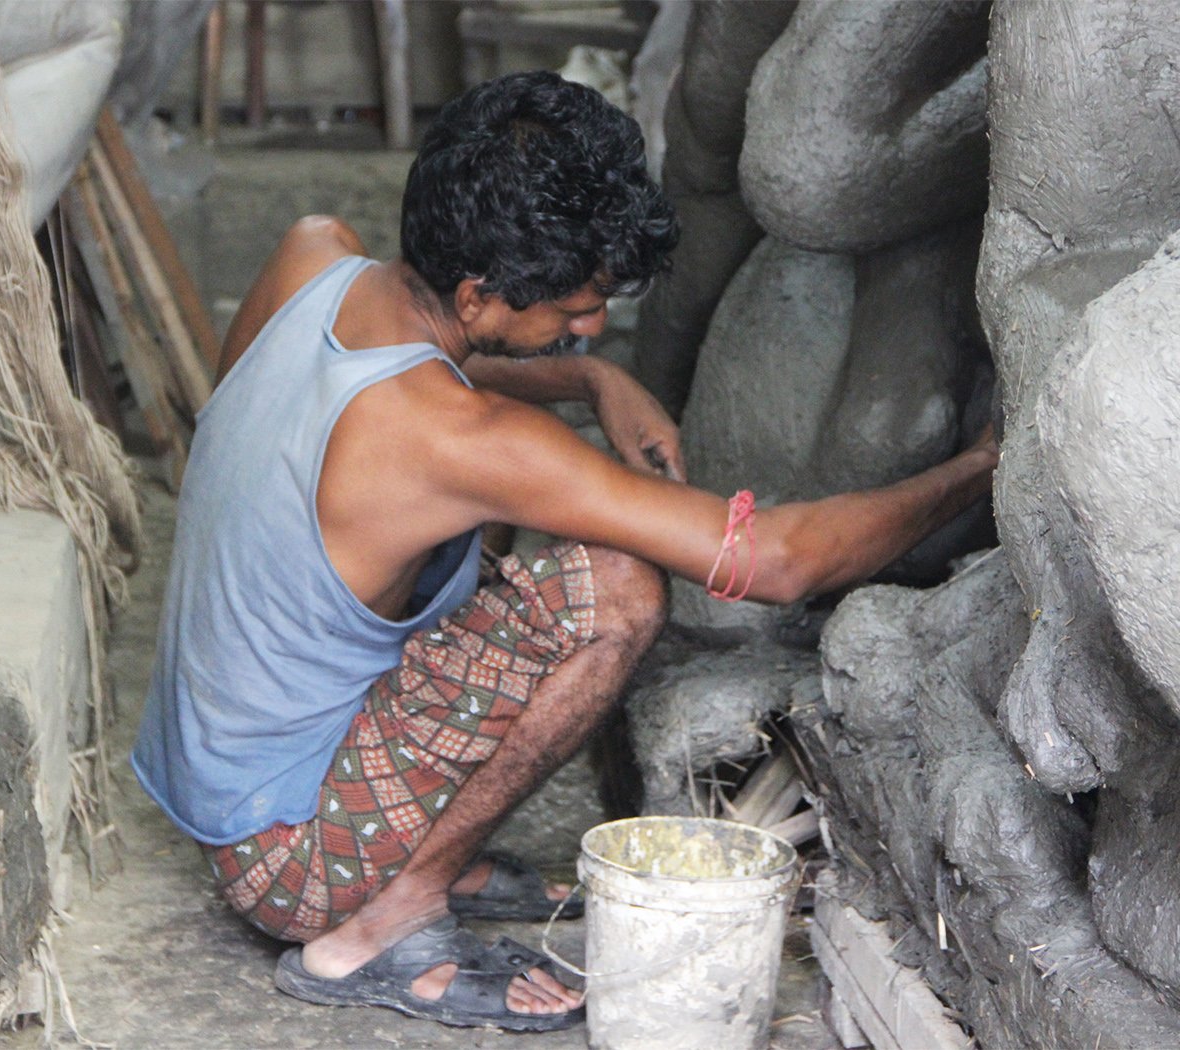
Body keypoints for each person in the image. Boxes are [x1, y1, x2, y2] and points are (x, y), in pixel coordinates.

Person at [130, 71, 998, 1032]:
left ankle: (417, 853)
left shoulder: (315, 256)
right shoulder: (461, 439)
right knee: (617, 589)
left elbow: (398, 376)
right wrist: (977, 467)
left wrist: (588, 376)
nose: (590, 324)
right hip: (291, 859)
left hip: (215, 779)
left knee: (478, 532)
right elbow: (775, 561)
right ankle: (381, 920)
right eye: (574, 312)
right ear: (478, 291)